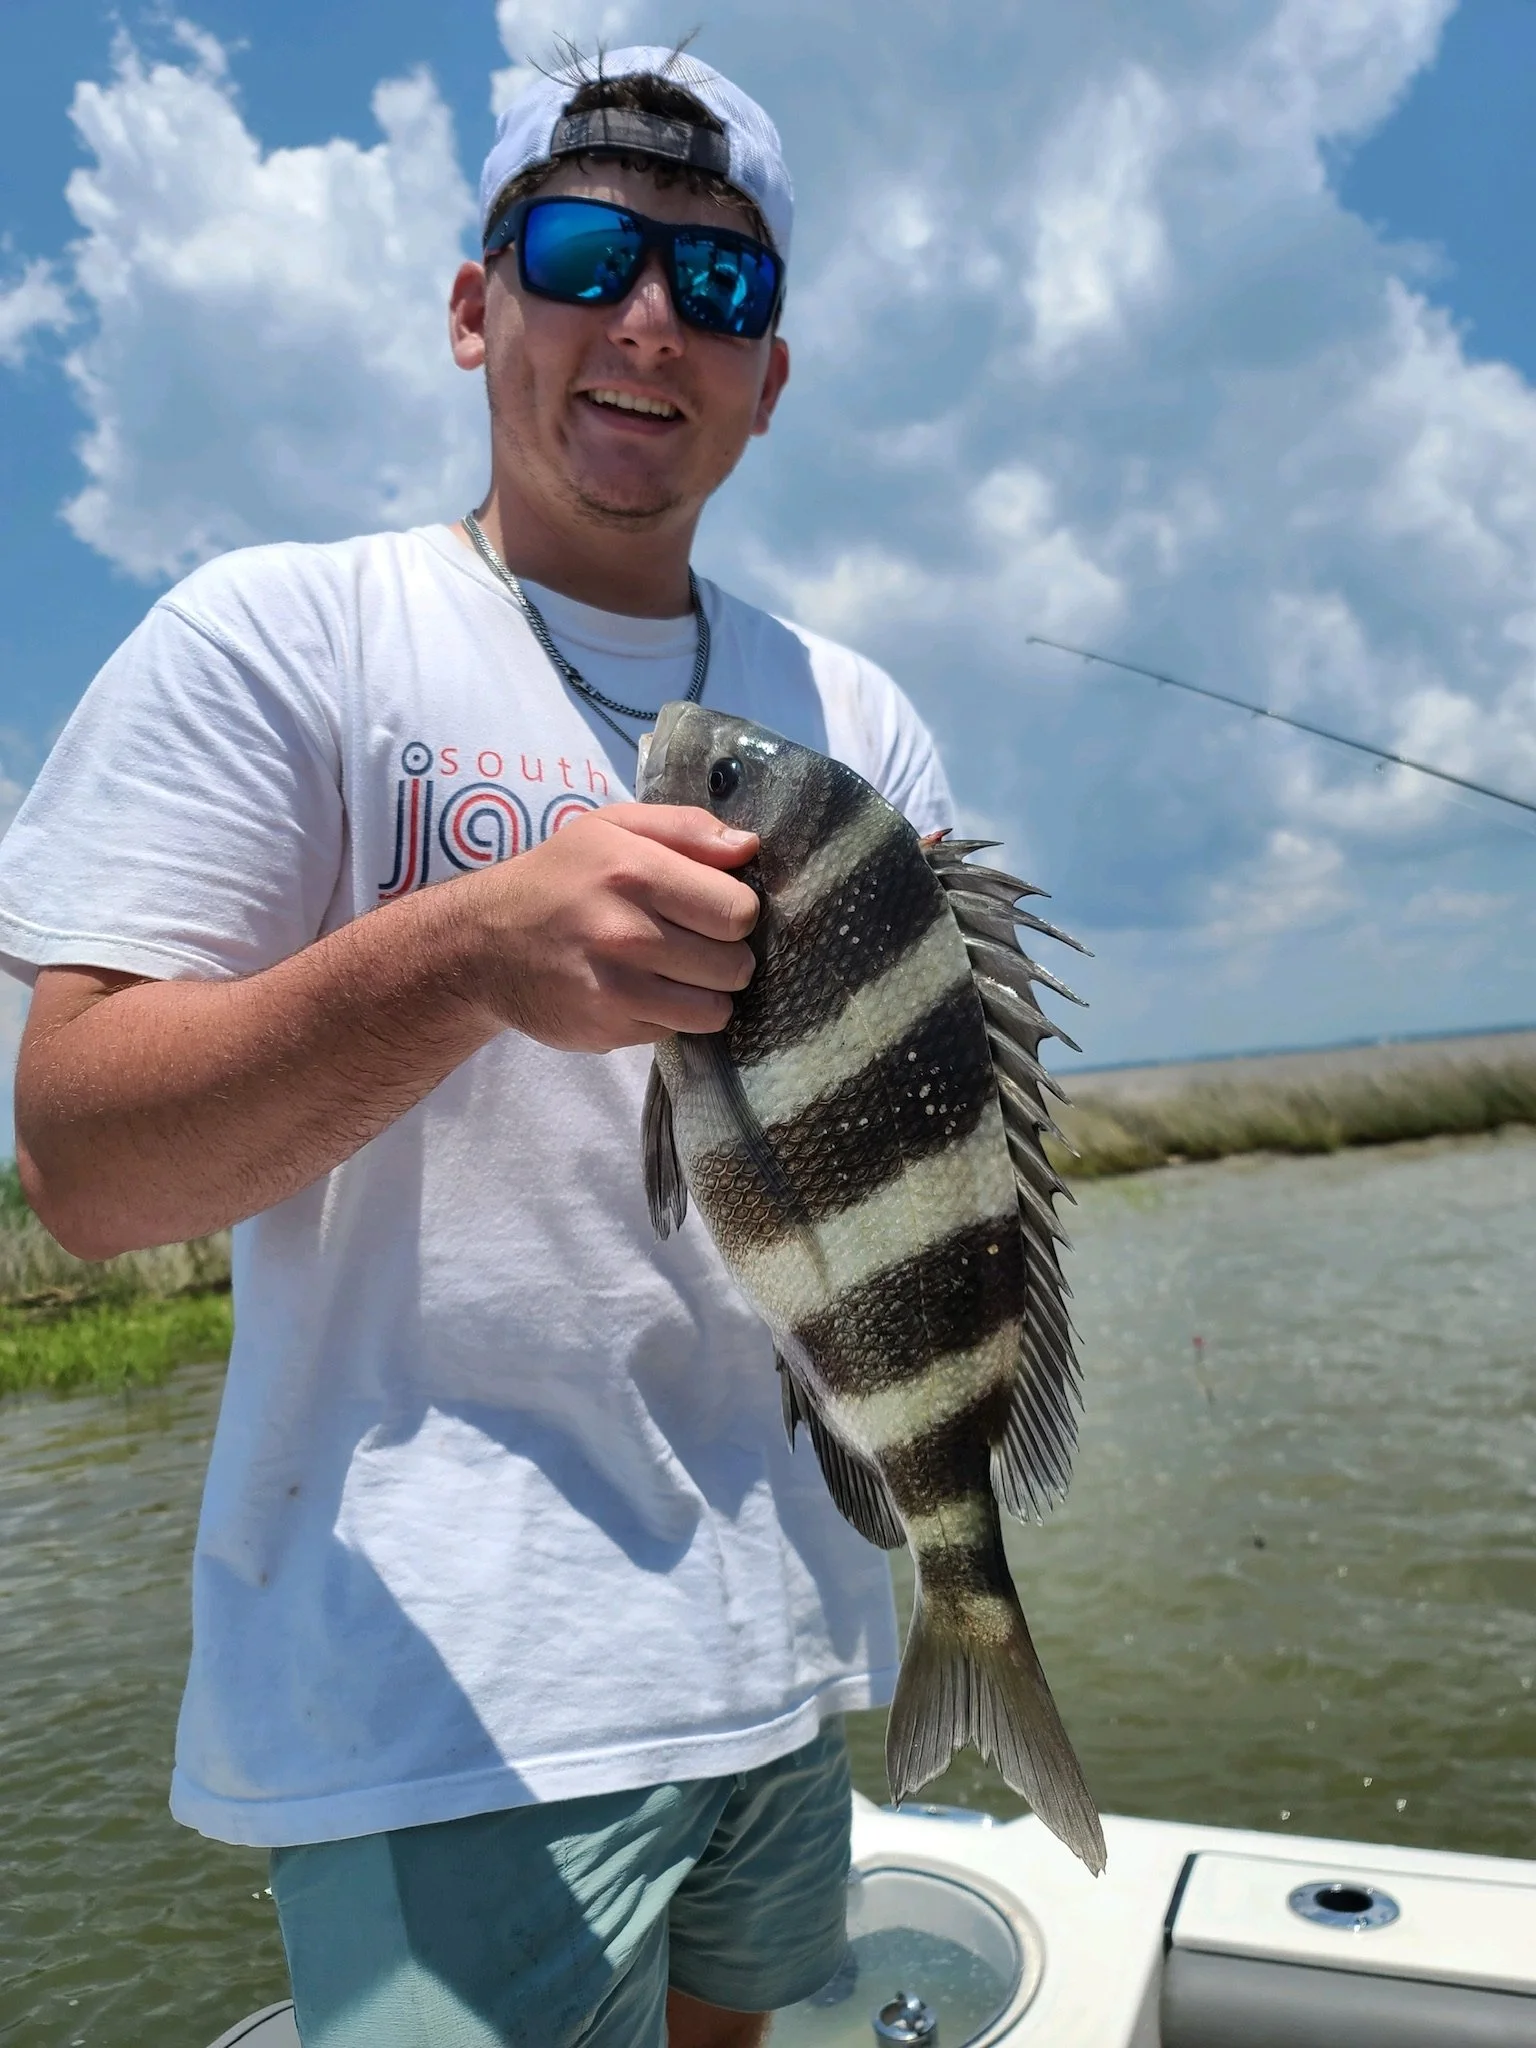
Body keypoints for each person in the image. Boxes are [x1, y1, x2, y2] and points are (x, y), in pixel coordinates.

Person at [0, 46, 953, 2048]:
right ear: (472, 305)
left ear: (773, 377)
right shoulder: (284, 639)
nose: (647, 321)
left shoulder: (858, 721)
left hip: (794, 1657)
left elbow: (950, 1163)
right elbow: (83, 1170)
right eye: (584, 250)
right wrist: (467, 957)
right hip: (448, 1711)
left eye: (722, 284)